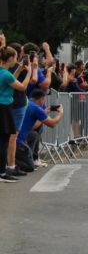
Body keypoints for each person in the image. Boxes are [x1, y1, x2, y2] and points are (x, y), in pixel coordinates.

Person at [0, 46, 32, 182]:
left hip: (3, 106)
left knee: (3, 139)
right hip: (4, 107)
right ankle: (2, 172)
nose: (16, 61)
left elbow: (11, 80)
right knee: (3, 141)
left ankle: (2, 170)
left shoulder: (4, 72)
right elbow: (22, 86)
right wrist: (29, 72)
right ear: (12, 58)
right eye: (15, 58)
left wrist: (19, 69)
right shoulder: (5, 74)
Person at [15, 89, 64, 172]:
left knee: (34, 134)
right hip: (18, 141)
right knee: (30, 167)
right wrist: (60, 113)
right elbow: (52, 124)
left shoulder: (27, 102)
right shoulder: (36, 108)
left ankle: (28, 155)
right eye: (44, 100)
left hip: (14, 136)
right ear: (41, 98)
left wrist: (44, 115)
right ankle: (10, 160)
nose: (44, 102)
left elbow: (32, 127)